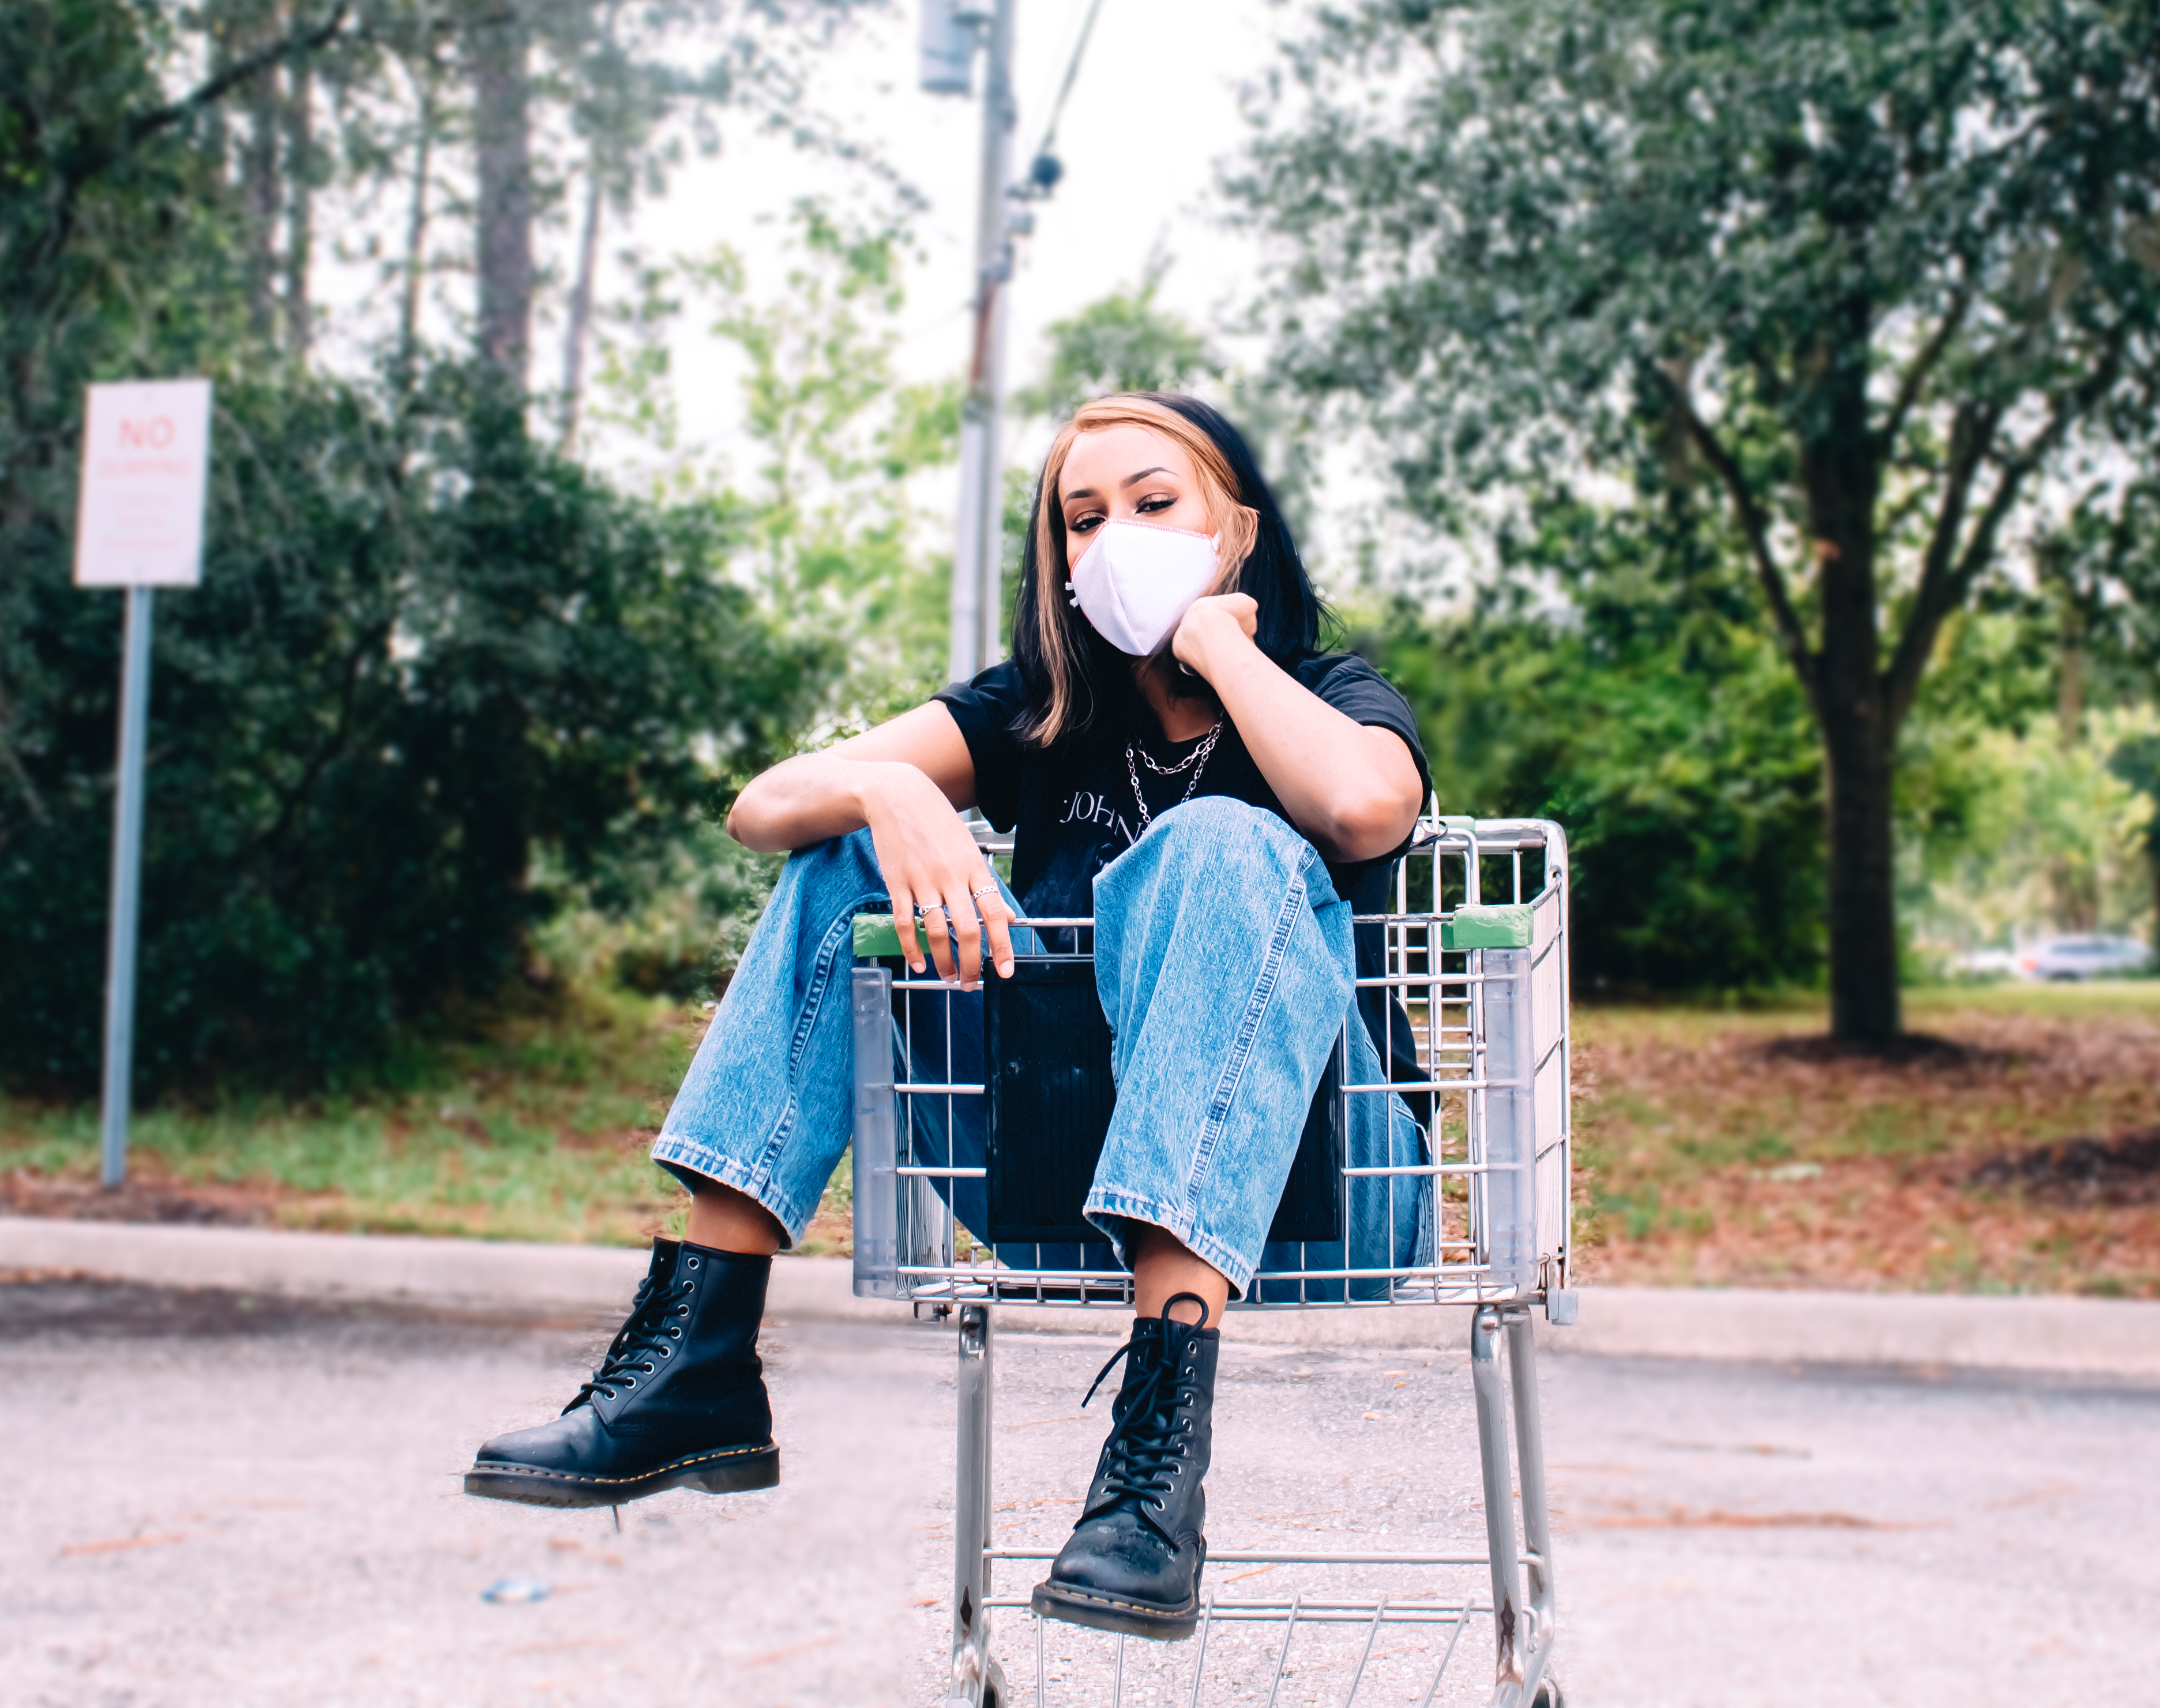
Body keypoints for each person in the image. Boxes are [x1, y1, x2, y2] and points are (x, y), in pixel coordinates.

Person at [463, 392, 1436, 1643]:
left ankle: (1150, 1483)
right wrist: (880, 786)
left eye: (1154, 504)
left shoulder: (1332, 693)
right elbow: (763, 805)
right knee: (837, 859)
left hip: (1336, 1189)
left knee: (1219, 845)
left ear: (1234, 530)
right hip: (1063, 1184)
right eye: (1083, 521)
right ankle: (700, 1360)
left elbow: (1362, 812)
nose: (1114, 538)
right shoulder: (1039, 715)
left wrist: (1223, 650)